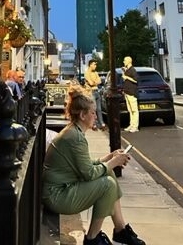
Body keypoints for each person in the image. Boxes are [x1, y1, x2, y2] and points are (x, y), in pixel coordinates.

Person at [43, 87, 146, 245]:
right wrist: (113, 162)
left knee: (108, 174)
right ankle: (92, 238)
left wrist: (109, 158)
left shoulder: (74, 132)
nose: (96, 116)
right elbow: (89, 174)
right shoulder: (75, 137)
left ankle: (120, 230)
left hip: (61, 189)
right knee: (107, 184)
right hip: (57, 196)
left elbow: (85, 166)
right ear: (83, 115)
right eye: (92, 112)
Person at [84, 59, 106, 130]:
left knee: (99, 109)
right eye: (94, 64)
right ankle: (94, 124)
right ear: (90, 65)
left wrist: (94, 82)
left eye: (95, 64)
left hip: (97, 91)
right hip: (91, 92)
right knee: (94, 109)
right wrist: (95, 82)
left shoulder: (96, 73)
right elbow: (91, 83)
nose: (95, 66)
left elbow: (99, 81)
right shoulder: (87, 73)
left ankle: (101, 123)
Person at [122, 56, 139, 132]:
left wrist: (127, 77)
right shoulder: (128, 70)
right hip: (127, 92)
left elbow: (136, 80)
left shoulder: (133, 70)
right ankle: (131, 124)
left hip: (132, 92)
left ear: (129, 61)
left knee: (134, 110)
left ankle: (135, 126)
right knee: (130, 110)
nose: (123, 61)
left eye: (125, 60)